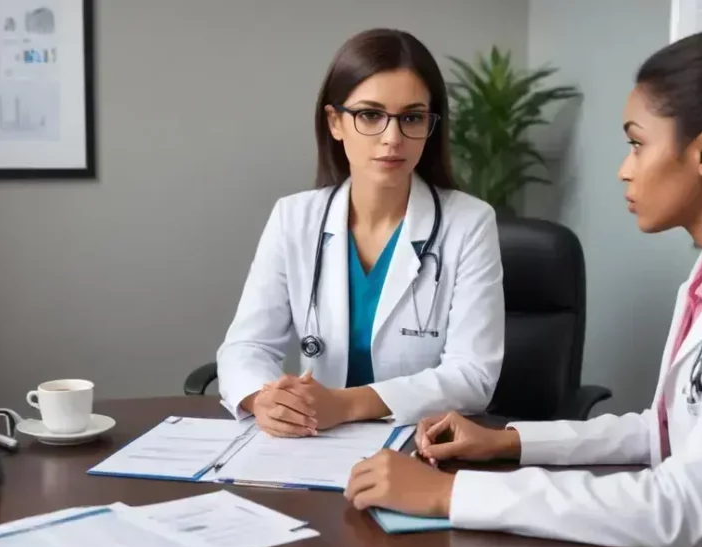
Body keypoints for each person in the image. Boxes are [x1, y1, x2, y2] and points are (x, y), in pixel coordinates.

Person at [345, 28, 702, 547]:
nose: (624, 169)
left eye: (637, 143)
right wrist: (509, 441)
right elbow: (663, 431)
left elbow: (683, 509)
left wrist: (450, 493)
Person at [215, 28, 505, 438]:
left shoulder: (469, 224)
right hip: (312, 443)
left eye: (411, 117)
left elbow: (473, 375)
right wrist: (265, 399)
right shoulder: (293, 218)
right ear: (335, 122)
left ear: (430, 125)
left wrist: (345, 404)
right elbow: (247, 347)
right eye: (370, 115)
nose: (392, 138)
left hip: (417, 445)